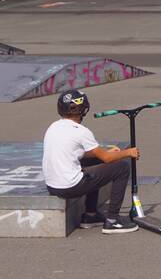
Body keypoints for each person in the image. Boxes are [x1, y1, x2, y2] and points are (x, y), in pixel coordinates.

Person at [43, 89, 140, 234]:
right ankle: (112, 221)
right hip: (70, 186)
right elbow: (107, 159)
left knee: (96, 161)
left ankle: (91, 215)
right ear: (83, 109)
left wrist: (105, 154)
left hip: (52, 186)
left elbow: (79, 153)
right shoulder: (81, 131)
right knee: (122, 168)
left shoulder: (53, 127)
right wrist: (128, 153)